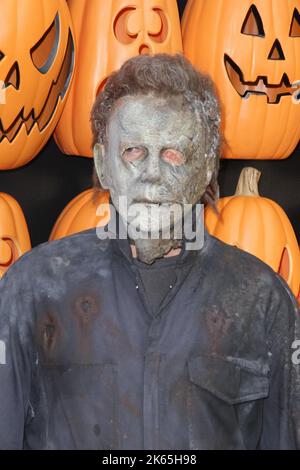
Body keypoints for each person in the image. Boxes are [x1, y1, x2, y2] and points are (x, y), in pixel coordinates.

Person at [0, 54, 299, 450]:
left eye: (174, 153)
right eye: (133, 152)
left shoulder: (262, 300)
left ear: (208, 168)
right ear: (103, 165)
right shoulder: (34, 290)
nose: (153, 173)